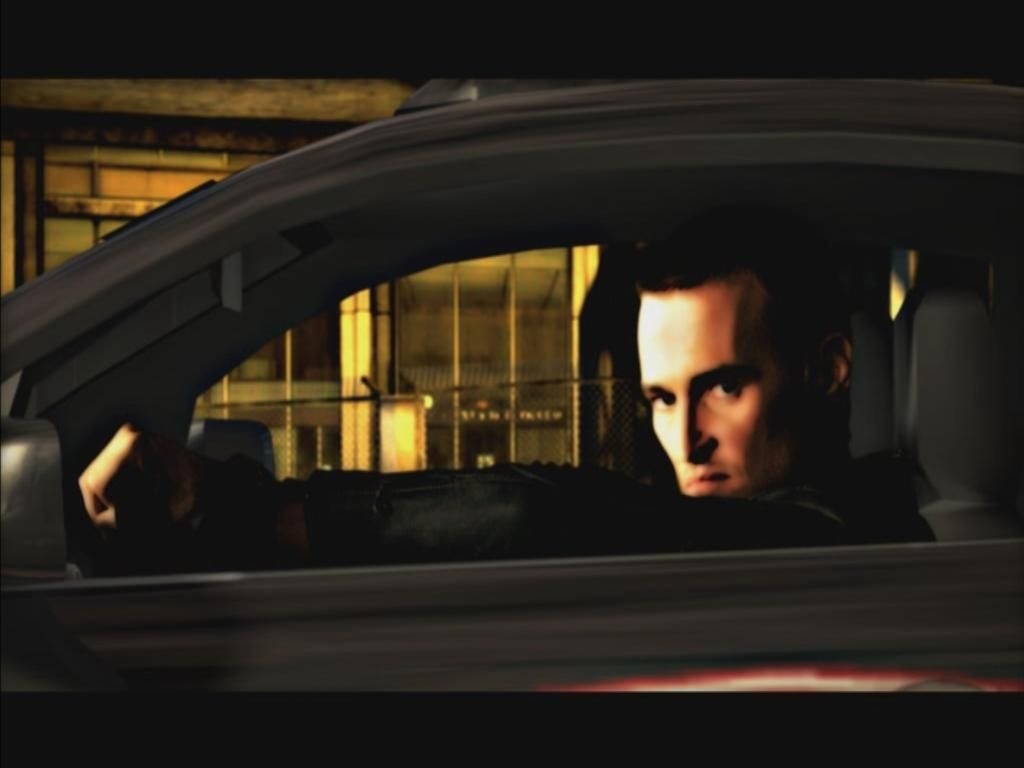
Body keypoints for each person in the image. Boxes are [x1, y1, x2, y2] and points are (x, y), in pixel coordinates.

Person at [79, 205, 933, 574]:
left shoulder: (855, 535)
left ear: (827, 370)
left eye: (724, 387)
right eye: (663, 399)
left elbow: (550, 512)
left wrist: (238, 511)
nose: (687, 439)